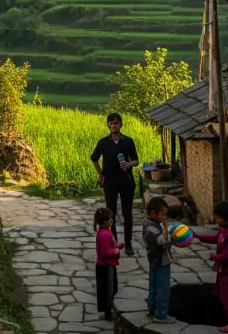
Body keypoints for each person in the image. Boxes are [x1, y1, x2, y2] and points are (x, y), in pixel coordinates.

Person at [90, 112, 139, 255]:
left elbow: (136, 160)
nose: (113, 125)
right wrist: (101, 175)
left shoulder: (128, 141)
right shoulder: (103, 142)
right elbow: (94, 158)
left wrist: (129, 165)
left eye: (116, 123)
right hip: (110, 182)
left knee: (127, 213)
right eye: (111, 123)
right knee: (111, 214)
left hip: (126, 182)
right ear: (107, 125)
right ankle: (114, 243)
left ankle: (128, 243)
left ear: (121, 125)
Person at [196, 202, 228, 333]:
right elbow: (215, 238)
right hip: (224, 271)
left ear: (227, 218)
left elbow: (227, 255)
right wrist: (198, 236)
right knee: (223, 296)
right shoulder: (224, 231)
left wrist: (214, 257)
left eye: (218, 218)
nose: (216, 220)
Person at [143, 196, 176, 325]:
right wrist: (169, 233)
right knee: (163, 288)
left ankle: (152, 309)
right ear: (153, 213)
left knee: (154, 286)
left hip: (154, 261)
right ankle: (161, 314)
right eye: (162, 215)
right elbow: (163, 242)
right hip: (161, 262)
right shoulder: (152, 229)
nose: (164, 218)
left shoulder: (149, 224)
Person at [94, 206, 124, 321]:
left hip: (103, 265)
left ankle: (107, 310)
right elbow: (106, 253)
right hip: (107, 266)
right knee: (110, 289)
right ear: (104, 221)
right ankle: (108, 312)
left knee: (107, 288)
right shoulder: (106, 234)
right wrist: (116, 251)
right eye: (109, 219)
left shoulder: (103, 232)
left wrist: (117, 246)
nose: (112, 220)